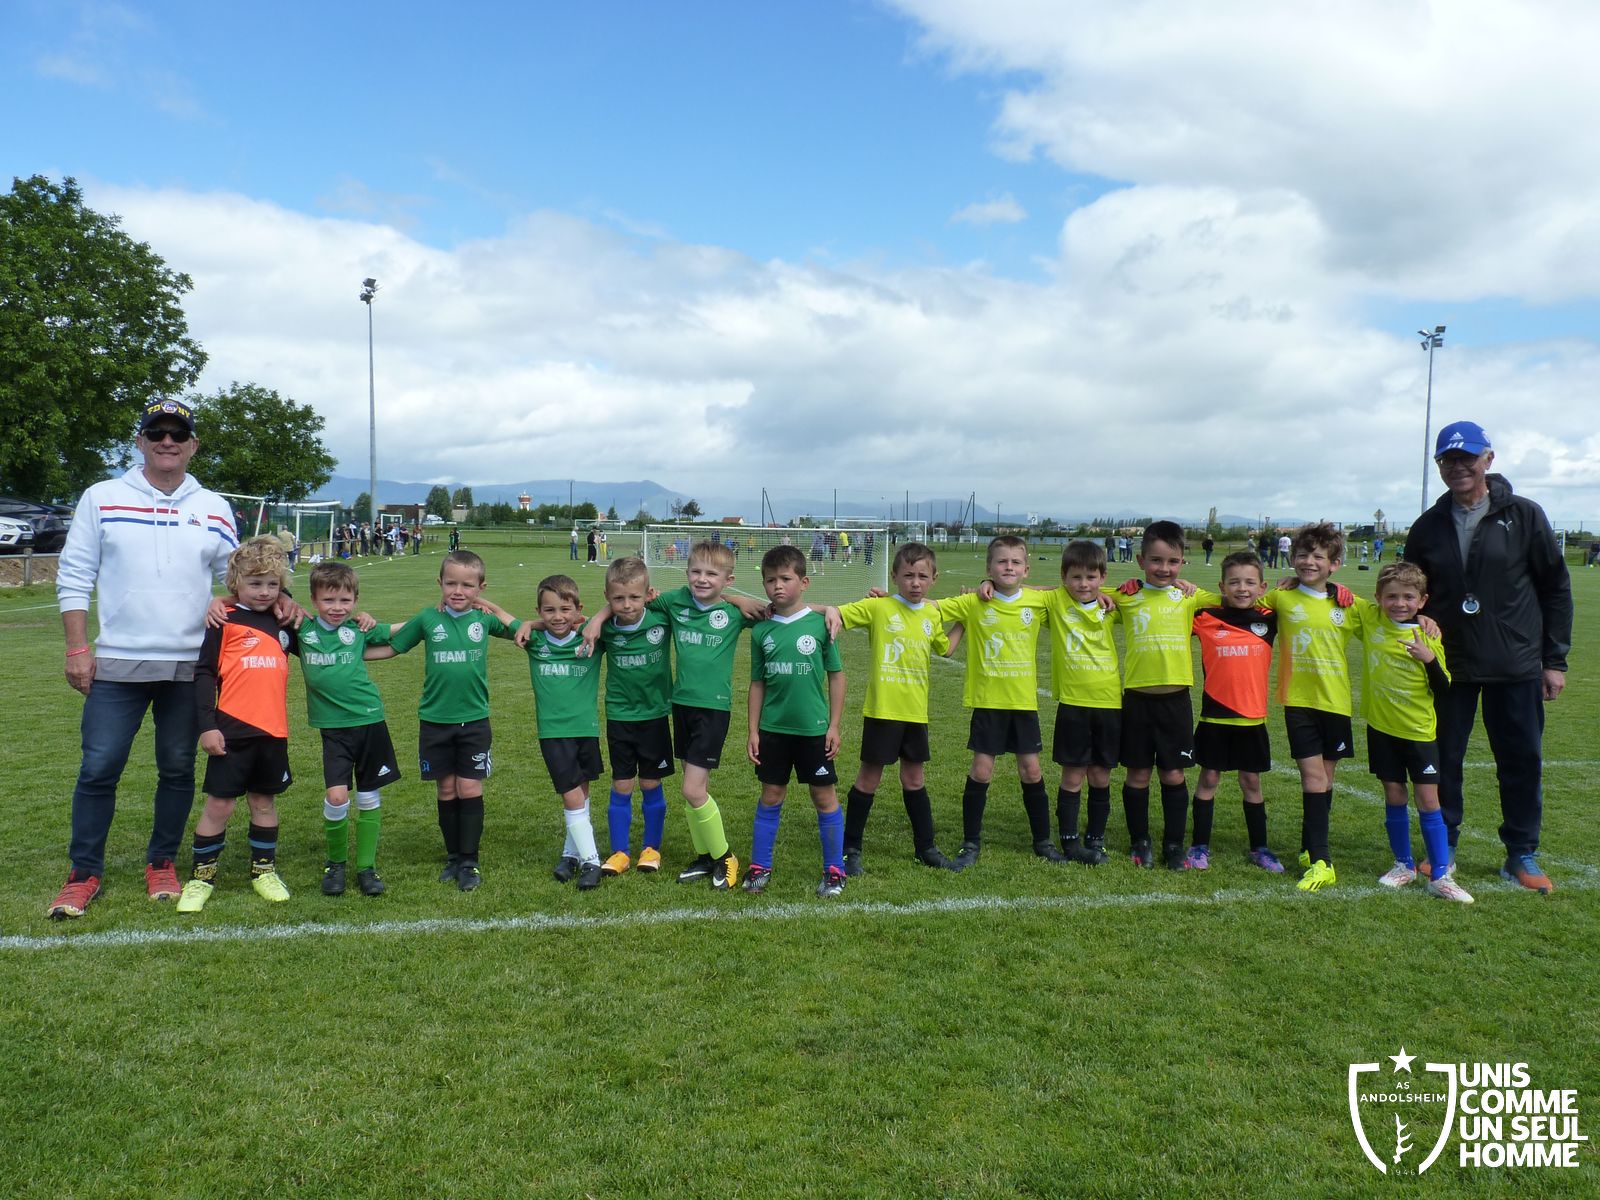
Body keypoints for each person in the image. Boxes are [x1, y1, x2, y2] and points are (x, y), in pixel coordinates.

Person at [49, 399, 241, 919]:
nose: (167, 442)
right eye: (157, 433)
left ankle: (161, 862)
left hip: (189, 667)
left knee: (177, 768)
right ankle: (83, 872)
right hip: (117, 663)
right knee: (99, 768)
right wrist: (77, 648)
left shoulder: (214, 506)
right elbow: (75, 575)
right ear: (140, 442)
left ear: (193, 445)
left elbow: (239, 578)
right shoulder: (102, 497)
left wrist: (280, 600)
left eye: (178, 434)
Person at [1404, 419, 1572, 893]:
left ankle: (1521, 852)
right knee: (1444, 758)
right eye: (1448, 459)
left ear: (1488, 460)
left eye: (1467, 457)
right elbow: (1407, 588)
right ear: (1439, 466)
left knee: (1521, 761)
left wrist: (1554, 660)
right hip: (1449, 664)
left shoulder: (1525, 514)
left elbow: (1556, 588)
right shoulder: (1428, 525)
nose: (1457, 466)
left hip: (1515, 662)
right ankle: (1444, 847)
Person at [582, 540, 765, 889]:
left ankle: (725, 856)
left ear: (728, 579)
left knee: (692, 790)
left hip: (712, 709)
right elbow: (627, 600)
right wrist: (597, 619)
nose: (702, 579)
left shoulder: (735, 613)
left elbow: (784, 611)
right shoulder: (674, 602)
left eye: (711, 574)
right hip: (680, 706)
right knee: (695, 788)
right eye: (696, 571)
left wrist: (737, 600)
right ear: (686, 573)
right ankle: (705, 856)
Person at [385, 550, 521, 891]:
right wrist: (348, 654)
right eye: (451, 584)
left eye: (467, 585)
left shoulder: (484, 620)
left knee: (469, 787)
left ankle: (470, 860)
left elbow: (521, 630)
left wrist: (491, 607)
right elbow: (393, 646)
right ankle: (453, 857)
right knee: (446, 788)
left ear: (480, 587)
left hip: (474, 721)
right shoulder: (427, 618)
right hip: (435, 721)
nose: (458, 591)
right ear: (440, 583)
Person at [176, 537, 297, 912]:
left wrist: (291, 600)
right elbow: (204, 673)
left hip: (273, 731)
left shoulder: (284, 620)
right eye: (255, 583)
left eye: (272, 584)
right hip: (230, 731)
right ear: (235, 583)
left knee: (263, 802)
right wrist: (207, 725)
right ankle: (201, 879)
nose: (264, 592)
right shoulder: (223, 619)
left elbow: (324, 632)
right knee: (220, 806)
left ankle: (264, 872)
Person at [826, 542, 962, 874]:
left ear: (933, 579)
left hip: (916, 713)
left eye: (922, 577)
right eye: (908, 575)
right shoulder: (879, 607)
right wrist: (830, 610)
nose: (915, 583)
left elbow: (945, 649)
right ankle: (850, 849)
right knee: (868, 779)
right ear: (894, 576)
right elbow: (840, 614)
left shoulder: (931, 614)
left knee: (914, 779)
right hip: (883, 711)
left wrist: (964, 622)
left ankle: (926, 848)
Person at [935, 535, 1059, 868]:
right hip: (988, 702)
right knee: (981, 770)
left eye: (1016, 562)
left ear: (1026, 569)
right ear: (989, 568)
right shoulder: (973, 603)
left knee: (1032, 770)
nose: (1009, 567)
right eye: (1001, 562)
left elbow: (1071, 592)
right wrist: (888, 601)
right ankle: (970, 842)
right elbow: (930, 607)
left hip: (1023, 703)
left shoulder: (1036, 601)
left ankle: (1043, 841)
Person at [1358, 563, 1471, 902]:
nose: (1399, 603)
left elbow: (1444, 687)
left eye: (1408, 597)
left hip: (1419, 732)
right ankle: (1403, 865)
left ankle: (1440, 875)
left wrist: (1428, 659)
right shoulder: (1371, 619)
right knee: (1394, 794)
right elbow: (1333, 594)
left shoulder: (1428, 636)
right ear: (1378, 598)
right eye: (1391, 596)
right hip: (1382, 729)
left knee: (1428, 800)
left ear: (1422, 601)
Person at [1110, 521, 1219, 868]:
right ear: (1141, 560)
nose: (1164, 568)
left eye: (1173, 561)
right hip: (1137, 701)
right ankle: (1139, 841)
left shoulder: (1190, 597)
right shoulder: (1125, 596)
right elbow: (1072, 592)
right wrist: (991, 584)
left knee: (1173, 774)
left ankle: (1173, 844)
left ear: (1183, 561)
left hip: (1176, 702)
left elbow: (1240, 596)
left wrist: (1294, 582)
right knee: (1138, 774)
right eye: (1156, 560)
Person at [742, 546, 848, 896]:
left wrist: (834, 725)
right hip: (773, 731)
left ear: (803, 582)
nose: (777, 586)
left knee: (824, 796)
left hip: (813, 731)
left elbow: (836, 676)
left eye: (785, 579)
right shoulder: (761, 631)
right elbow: (757, 683)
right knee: (771, 795)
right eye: (770, 580)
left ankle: (835, 870)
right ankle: (760, 866)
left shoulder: (821, 625)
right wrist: (753, 730)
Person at [298, 561, 401, 898]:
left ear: (355, 600)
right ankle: (336, 864)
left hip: (370, 720)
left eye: (345, 600)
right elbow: (269, 608)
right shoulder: (302, 629)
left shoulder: (359, 629)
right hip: (334, 729)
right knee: (337, 796)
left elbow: (395, 633)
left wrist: (432, 619)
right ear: (314, 600)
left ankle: (366, 868)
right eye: (328, 600)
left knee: (369, 795)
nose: (337, 608)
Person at [509, 575, 605, 890]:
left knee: (581, 792)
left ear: (579, 610)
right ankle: (592, 860)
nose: (558, 616)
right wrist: (528, 623)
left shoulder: (592, 637)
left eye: (565, 609)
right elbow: (500, 618)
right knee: (570, 794)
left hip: (586, 728)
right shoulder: (535, 640)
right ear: (539, 610)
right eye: (549, 610)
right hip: (553, 732)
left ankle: (570, 855)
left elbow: (623, 612)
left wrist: (593, 620)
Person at [1189, 551, 1282, 872]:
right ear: (1222, 587)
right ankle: (1198, 846)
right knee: (1209, 777)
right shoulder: (1205, 617)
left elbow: (1305, 598)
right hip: (1214, 716)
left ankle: (1260, 848)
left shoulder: (1270, 617)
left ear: (1262, 587)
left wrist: (1330, 587)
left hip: (1252, 719)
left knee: (1251, 782)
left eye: (1250, 582)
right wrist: (1184, 587)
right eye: (1234, 582)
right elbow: (1167, 607)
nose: (1242, 588)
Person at [589, 557, 675, 875]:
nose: (627, 605)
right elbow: (570, 627)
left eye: (635, 597)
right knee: (622, 783)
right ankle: (620, 852)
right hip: (620, 717)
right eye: (619, 598)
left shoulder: (662, 619)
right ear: (607, 597)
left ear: (648, 594)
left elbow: (695, 603)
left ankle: (651, 849)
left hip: (654, 716)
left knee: (651, 781)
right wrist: (598, 618)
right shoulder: (605, 630)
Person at [1039, 540, 1121, 864]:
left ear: (1103, 577)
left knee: (1101, 775)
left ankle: (1095, 838)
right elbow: (1021, 591)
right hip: (1073, 704)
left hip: (1109, 703)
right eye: (1076, 577)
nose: (1083, 584)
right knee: (1072, 775)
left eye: (1091, 577)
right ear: (1063, 577)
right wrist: (988, 582)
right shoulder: (1056, 600)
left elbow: (1144, 593)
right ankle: (1070, 841)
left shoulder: (1112, 605)